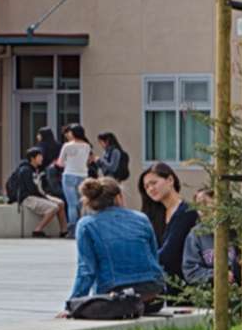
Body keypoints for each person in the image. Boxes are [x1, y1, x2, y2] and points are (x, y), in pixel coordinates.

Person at [63, 177, 167, 318]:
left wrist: (72, 306)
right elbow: (154, 257)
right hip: (154, 295)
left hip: (115, 297)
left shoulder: (86, 225)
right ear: (119, 197)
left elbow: (86, 270)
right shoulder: (141, 218)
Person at [139, 164, 201, 297]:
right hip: (161, 285)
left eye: (153, 183)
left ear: (170, 180)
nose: (150, 189)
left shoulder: (187, 212)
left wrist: (141, 263)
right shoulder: (155, 215)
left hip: (183, 288)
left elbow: (169, 253)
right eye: (146, 187)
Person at [5, 149, 65, 238]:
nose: (42, 158)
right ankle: (38, 230)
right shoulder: (25, 170)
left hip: (36, 195)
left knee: (60, 203)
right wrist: (45, 197)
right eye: (39, 156)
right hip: (26, 197)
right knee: (53, 207)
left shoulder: (35, 170)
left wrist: (45, 196)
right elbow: (31, 189)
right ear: (32, 158)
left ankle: (64, 231)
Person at [57, 125, 94, 234]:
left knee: (72, 204)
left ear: (73, 133)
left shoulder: (67, 146)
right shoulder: (87, 146)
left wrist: (68, 163)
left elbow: (60, 162)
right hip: (83, 175)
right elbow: (88, 161)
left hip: (69, 175)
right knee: (82, 203)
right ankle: (84, 228)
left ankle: (73, 230)